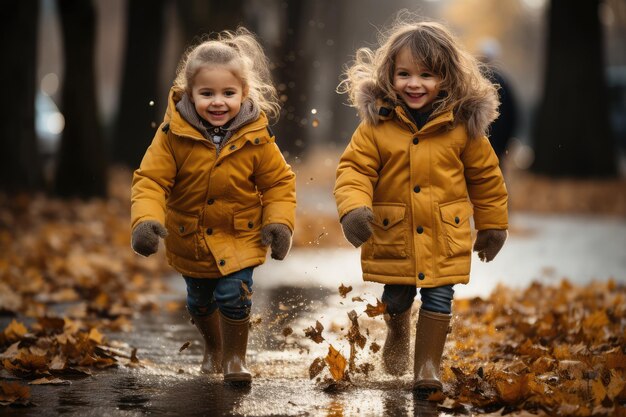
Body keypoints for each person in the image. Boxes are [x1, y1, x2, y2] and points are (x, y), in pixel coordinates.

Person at [334, 16, 508, 398]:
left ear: (446, 77)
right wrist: (353, 209)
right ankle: (397, 328)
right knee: (397, 299)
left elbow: (486, 178)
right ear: (389, 75)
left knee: (439, 297)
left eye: (427, 74)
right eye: (404, 74)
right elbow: (353, 169)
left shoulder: (463, 127)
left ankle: (426, 368)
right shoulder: (377, 125)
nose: (414, 84)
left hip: (445, 235)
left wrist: (493, 225)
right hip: (395, 234)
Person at [130, 27, 296, 385]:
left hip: (240, 235)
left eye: (228, 93)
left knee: (233, 294)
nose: (217, 102)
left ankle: (236, 359)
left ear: (244, 93)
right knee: (200, 302)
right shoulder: (172, 136)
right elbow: (151, 180)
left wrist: (280, 223)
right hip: (190, 237)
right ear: (190, 93)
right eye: (207, 93)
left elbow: (278, 182)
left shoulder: (257, 137)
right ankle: (214, 348)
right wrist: (145, 220)